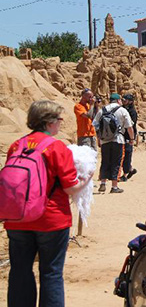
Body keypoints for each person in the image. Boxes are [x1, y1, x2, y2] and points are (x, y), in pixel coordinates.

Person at [4, 100, 92, 307]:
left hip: (17, 218)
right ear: (49, 122)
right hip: (51, 219)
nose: (61, 123)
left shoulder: (17, 145)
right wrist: (86, 180)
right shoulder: (56, 147)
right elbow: (70, 188)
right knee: (51, 273)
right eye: (60, 119)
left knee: (19, 271)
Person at [92, 93, 134, 194]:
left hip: (105, 140)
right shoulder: (122, 110)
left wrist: (99, 138)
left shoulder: (102, 110)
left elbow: (95, 125)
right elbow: (129, 126)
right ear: (118, 100)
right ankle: (114, 186)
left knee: (105, 161)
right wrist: (132, 138)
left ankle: (103, 183)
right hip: (118, 139)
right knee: (116, 162)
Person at [120, 93, 138, 182]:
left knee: (127, 153)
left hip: (129, 135)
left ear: (130, 101)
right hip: (122, 134)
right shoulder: (122, 109)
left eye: (125, 100)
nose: (123, 101)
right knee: (122, 153)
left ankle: (125, 174)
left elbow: (131, 124)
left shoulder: (132, 112)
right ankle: (130, 169)